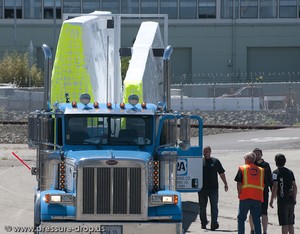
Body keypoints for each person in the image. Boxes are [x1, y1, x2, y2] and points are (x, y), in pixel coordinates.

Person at [198, 146, 228, 230]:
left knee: (214, 207)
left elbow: (221, 173)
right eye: (204, 151)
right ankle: (203, 223)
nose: (205, 153)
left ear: (210, 151)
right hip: (202, 188)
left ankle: (214, 223)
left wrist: (225, 183)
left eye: (206, 151)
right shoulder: (200, 162)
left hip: (213, 188)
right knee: (202, 207)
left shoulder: (215, 161)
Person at [234, 152, 264, 234]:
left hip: (245, 197)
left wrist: (239, 193)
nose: (244, 159)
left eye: (245, 158)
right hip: (257, 198)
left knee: (241, 219)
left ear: (248, 159)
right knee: (257, 220)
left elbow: (239, 183)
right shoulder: (261, 170)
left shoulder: (242, 168)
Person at [269, 154, 297, 234]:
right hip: (290, 200)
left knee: (284, 223)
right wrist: (294, 198)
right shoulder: (290, 172)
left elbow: (275, 186)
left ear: (276, 162)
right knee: (291, 223)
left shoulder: (275, 173)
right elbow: (294, 186)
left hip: (282, 200)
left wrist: (271, 200)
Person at [249, 148, 272, 234]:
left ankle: (265, 231)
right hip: (253, 192)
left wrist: (272, 193)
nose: (256, 156)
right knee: (252, 211)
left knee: (264, 212)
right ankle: (252, 229)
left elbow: (270, 179)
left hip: (264, 192)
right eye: (254, 154)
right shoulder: (250, 164)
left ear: (261, 155)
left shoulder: (266, 165)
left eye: (258, 154)